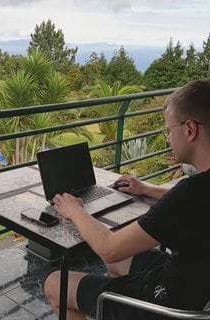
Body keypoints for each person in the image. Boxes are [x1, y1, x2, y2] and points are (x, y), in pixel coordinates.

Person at [44, 78, 210, 320]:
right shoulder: (194, 193)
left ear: (190, 130)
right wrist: (148, 189)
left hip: (169, 305)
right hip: (196, 286)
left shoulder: (190, 193)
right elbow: (189, 206)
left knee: (55, 284)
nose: (167, 139)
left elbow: (109, 248)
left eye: (169, 130)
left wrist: (75, 210)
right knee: (115, 264)